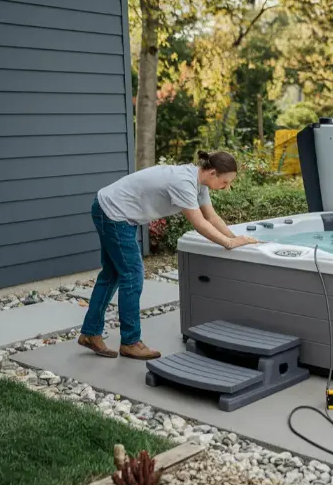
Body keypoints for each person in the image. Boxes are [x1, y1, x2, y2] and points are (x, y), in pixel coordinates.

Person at [78, 150, 259, 360]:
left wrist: (237, 239)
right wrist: (228, 243)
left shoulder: (198, 182)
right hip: (114, 214)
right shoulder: (183, 182)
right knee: (132, 276)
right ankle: (130, 342)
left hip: (110, 209)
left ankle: (90, 333)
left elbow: (211, 216)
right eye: (225, 182)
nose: (227, 188)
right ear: (212, 173)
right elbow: (199, 223)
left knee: (113, 274)